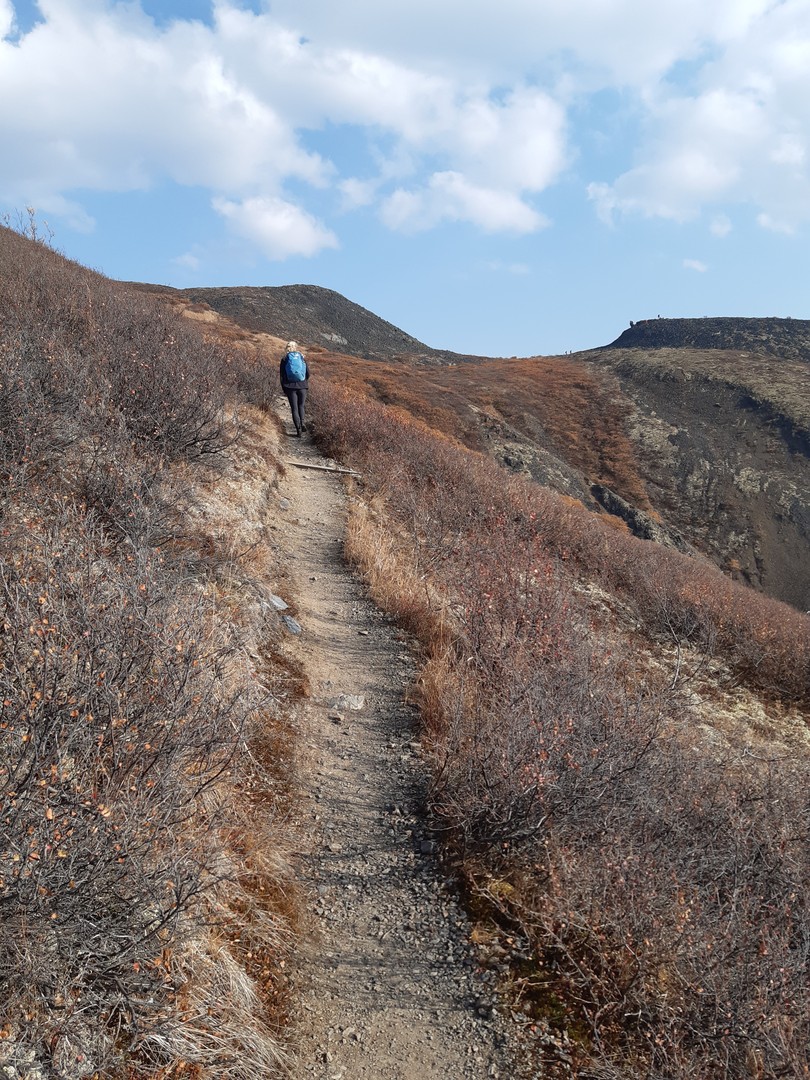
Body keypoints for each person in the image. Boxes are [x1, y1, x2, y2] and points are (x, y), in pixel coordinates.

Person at [279, 340, 309, 436]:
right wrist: (304, 381)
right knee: (301, 406)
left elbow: (282, 375)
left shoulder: (284, 359)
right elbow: (308, 373)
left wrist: (284, 388)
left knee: (294, 408)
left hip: (290, 387)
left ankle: (298, 431)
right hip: (302, 386)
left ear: (287, 348)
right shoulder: (301, 357)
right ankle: (303, 422)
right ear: (296, 347)